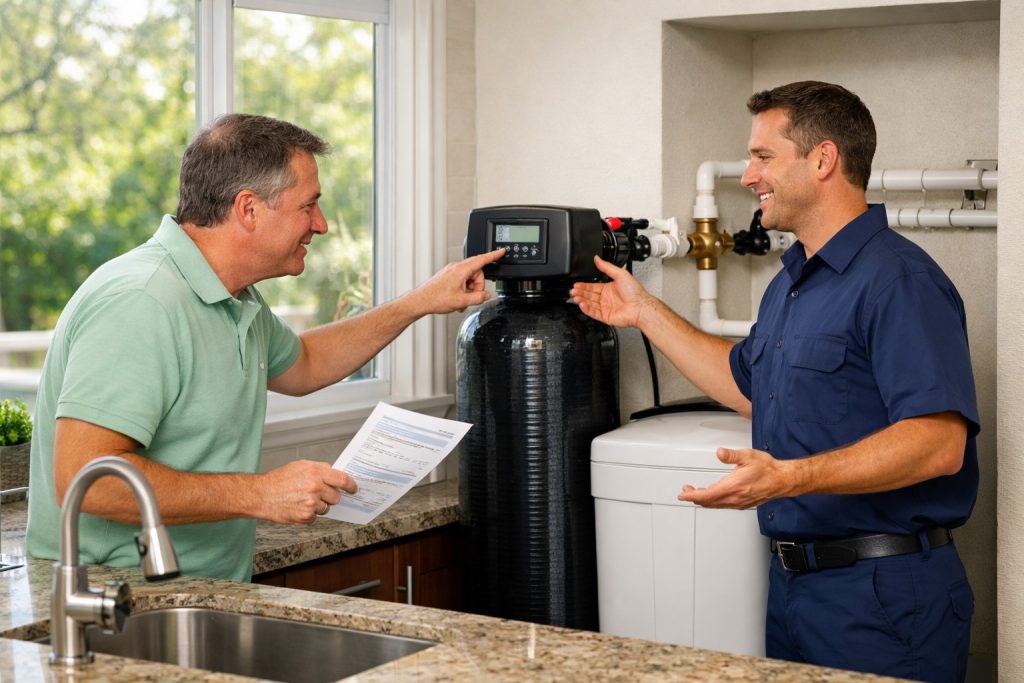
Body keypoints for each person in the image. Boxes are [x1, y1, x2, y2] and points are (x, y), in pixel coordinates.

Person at [571, 81, 978, 682]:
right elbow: (748, 388)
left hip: (884, 597)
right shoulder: (792, 284)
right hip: (794, 590)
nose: (747, 175)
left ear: (822, 160)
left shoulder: (899, 281)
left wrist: (790, 477)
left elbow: (939, 444)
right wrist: (644, 313)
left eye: (762, 156)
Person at [27, 113, 505, 582]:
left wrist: (420, 301)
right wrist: (259, 494)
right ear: (249, 209)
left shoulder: (234, 295)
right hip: (116, 596)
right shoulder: (140, 302)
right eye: (308, 205)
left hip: (202, 589)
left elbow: (306, 363)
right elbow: (87, 480)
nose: (320, 225)